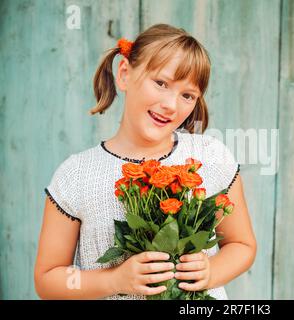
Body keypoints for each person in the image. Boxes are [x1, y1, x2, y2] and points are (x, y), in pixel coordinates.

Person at [34, 23, 257, 300]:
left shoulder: (210, 156)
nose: (171, 105)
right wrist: (114, 279)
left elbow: (242, 244)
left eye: (187, 95)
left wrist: (211, 270)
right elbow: (48, 280)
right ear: (125, 74)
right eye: (161, 83)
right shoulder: (76, 175)